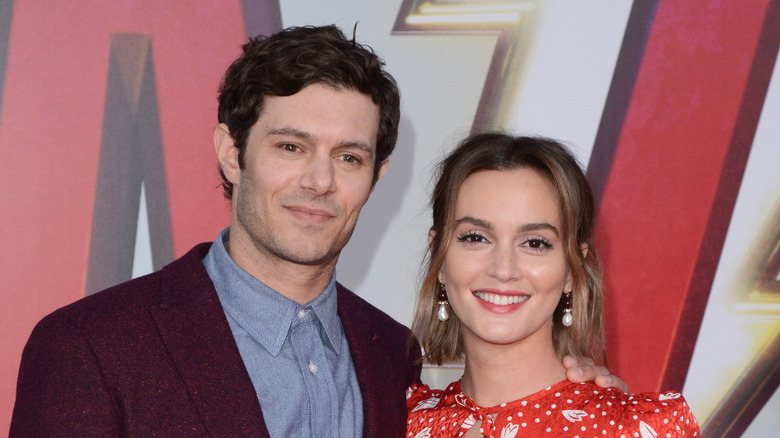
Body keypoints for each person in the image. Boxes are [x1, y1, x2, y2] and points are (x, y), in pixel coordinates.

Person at [12, 26, 623, 437]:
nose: (320, 180)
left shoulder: (394, 360)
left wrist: (596, 410)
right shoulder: (88, 348)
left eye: (349, 157)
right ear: (231, 152)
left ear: (377, 175)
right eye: (290, 146)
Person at [406, 133, 699, 438]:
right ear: (439, 257)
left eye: (535, 243)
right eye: (476, 237)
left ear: (573, 269)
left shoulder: (634, 430)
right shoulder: (400, 422)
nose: (503, 269)